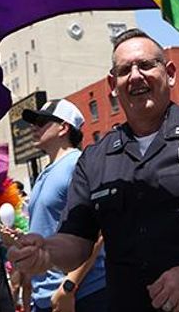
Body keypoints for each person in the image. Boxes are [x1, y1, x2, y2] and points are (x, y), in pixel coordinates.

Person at [9, 29, 179, 312]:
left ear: (170, 73)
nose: (136, 76)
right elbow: (77, 241)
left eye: (147, 65)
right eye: (125, 70)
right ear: (113, 85)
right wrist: (46, 251)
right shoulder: (94, 160)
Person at [21, 99, 107, 312]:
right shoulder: (44, 173)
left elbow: (98, 231)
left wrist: (69, 287)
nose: (34, 127)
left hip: (79, 295)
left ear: (63, 127)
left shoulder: (79, 164)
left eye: (41, 121)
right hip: (44, 298)